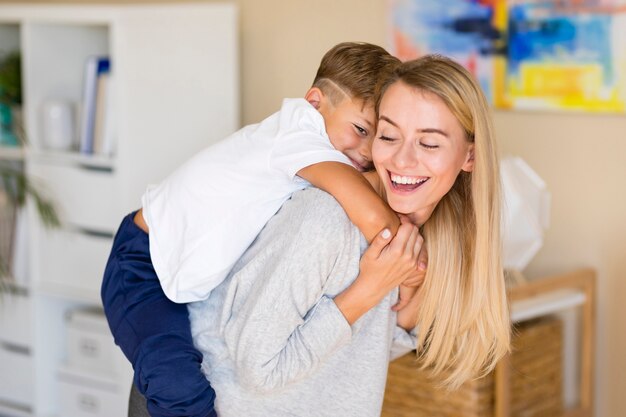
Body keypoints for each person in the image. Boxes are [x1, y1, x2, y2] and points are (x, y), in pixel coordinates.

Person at [132, 54, 509, 416]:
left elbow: (356, 351)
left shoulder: (426, 238)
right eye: (388, 135)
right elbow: (261, 370)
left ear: (470, 157)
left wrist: (409, 304)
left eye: (428, 143)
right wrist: (370, 290)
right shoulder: (325, 217)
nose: (402, 160)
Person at [101, 42, 415, 417]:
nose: (365, 150)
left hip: (176, 270)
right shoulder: (297, 134)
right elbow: (368, 212)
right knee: (178, 385)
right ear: (314, 102)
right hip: (141, 264)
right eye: (360, 129)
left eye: (377, 136)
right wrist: (409, 269)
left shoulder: (306, 153)